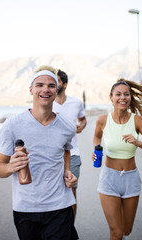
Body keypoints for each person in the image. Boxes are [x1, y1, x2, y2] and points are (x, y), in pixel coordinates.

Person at [0, 65, 79, 240]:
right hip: (26, 208)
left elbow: (66, 150)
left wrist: (67, 171)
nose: (45, 90)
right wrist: (11, 167)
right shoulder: (12, 125)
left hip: (60, 206)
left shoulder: (67, 126)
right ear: (31, 89)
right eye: (39, 85)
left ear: (57, 90)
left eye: (51, 86)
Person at [93, 79, 142, 240]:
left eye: (126, 94)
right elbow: (96, 137)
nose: (123, 97)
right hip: (109, 178)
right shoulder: (102, 120)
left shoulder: (137, 121)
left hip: (131, 179)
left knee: (126, 230)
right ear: (111, 97)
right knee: (116, 232)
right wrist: (96, 150)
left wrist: (137, 142)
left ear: (130, 98)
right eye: (118, 94)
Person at [53, 69, 87, 218]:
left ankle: (69, 231)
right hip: (52, 156)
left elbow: (83, 119)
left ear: (65, 84)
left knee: (71, 194)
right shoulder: (47, 103)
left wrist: (81, 126)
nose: (54, 84)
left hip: (73, 154)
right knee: (52, 194)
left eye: (58, 81)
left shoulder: (76, 103)